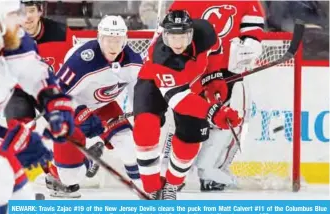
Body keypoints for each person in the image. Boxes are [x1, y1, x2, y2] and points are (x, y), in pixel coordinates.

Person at [133, 10, 242, 200]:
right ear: (165, 36)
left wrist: (213, 76)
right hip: (154, 81)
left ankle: (171, 186)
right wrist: (213, 112)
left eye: (182, 37)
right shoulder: (161, 57)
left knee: (190, 140)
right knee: (145, 128)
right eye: (172, 37)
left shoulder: (205, 32)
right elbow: (180, 100)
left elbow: (215, 51)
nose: (177, 43)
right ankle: (151, 187)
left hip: (193, 82)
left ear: (191, 33)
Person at [168, 1, 265, 191]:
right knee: (184, 119)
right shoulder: (182, 2)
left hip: (230, 71)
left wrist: (251, 45)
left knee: (233, 113)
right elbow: (171, 36)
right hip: (194, 70)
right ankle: (174, 172)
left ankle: (212, 170)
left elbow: (253, 30)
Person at [51, 15, 143, 198]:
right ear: (99, 38)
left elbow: (137, 94)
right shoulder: (82, 60)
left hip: (104, 106)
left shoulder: (133, 61)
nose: (113, 46)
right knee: (70, 177)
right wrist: (78, 116)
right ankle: (71, 166)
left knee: (130, 145)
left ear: (124, 40)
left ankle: (144, 189)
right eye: (108, 39)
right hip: (74, 107)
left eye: (118, 40)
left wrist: (143, 113)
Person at [0, 0, 73, 211]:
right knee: (1, 178)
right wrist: (8, 137)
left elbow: (35, 73)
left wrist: (56, 106)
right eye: (14, 15)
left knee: (22, 196)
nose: (22, 19)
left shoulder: (12, 39)